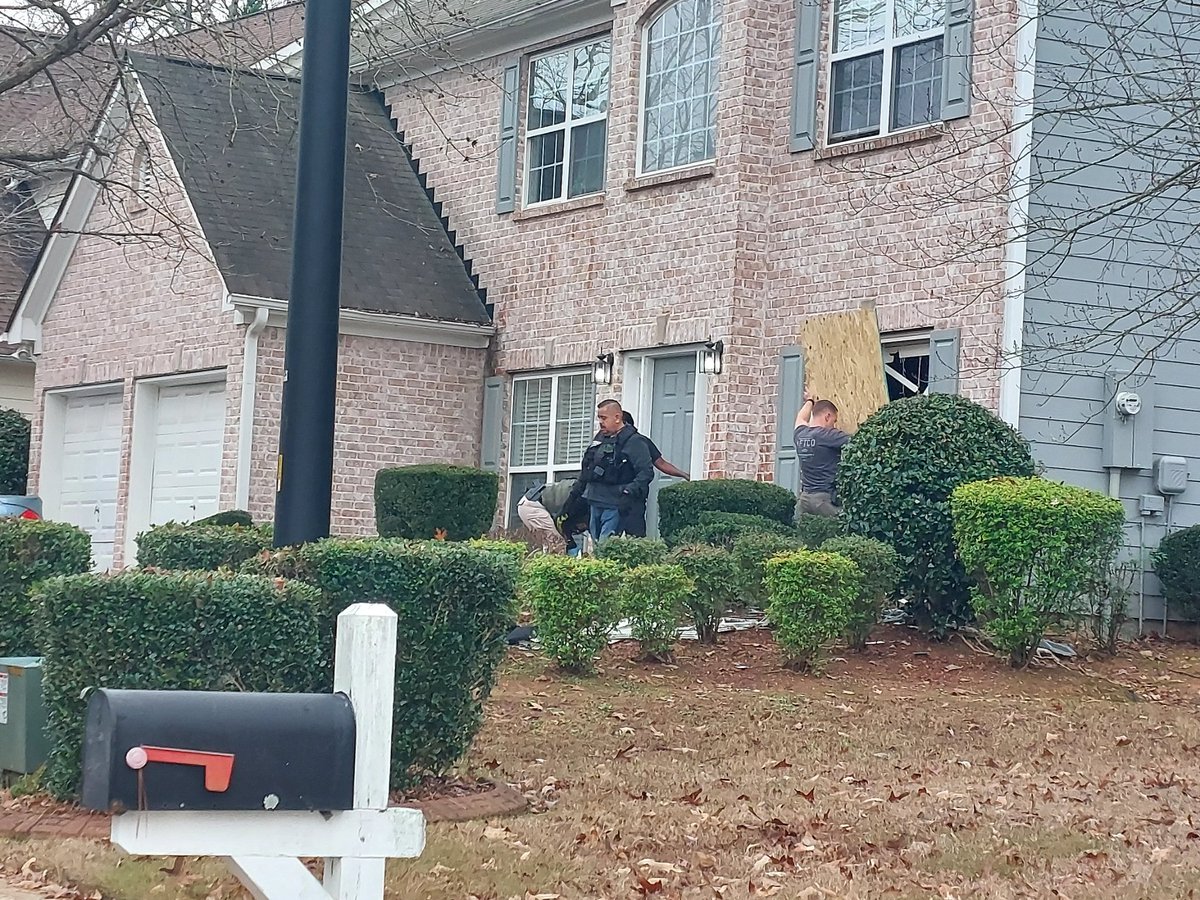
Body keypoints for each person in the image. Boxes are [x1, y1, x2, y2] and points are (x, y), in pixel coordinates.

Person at [573, 399, 656, 542]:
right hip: (595, 500)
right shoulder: (599, 439)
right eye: (599, 418)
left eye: (604, 418)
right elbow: (587, 469)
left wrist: (628, 491)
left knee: (606, 545)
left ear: (617, 417)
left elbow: (646, 472)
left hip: (615, 503)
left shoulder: (634, 441)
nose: (600, 422)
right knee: (598, 544)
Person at [619, 411, 689, 537]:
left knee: (635, 535)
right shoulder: (606, 441)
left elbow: (661, 463)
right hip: (610, 496)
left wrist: (684, 475)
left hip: (634, 496)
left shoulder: (640, 441)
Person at [793, 390, 850, 517]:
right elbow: (861, 441)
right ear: (827, 416)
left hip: (804, 499)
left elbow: (800, 418)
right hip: (824, 500)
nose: (834, 425)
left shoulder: (800, 435)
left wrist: (809, 401)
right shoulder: (829, 436)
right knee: (844, 526)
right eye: (833, 421)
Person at [516, 478, 589, 553]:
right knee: (556, 543)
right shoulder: (581, 502)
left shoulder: (585, 494)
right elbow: (561, 523)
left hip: (537, 503)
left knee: (557, 544)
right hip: (532, 505)